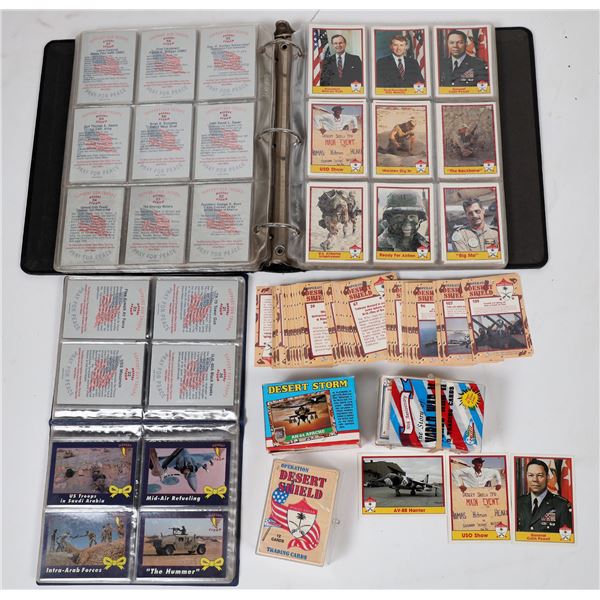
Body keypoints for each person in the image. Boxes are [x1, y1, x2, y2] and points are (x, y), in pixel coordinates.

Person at [516, 459, 573, 533]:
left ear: (547, 477)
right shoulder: (518, 503)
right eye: (531, 475)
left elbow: (566, 537)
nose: (535, 479)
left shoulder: (561, 505)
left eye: (540, 475)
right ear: (526, 477)